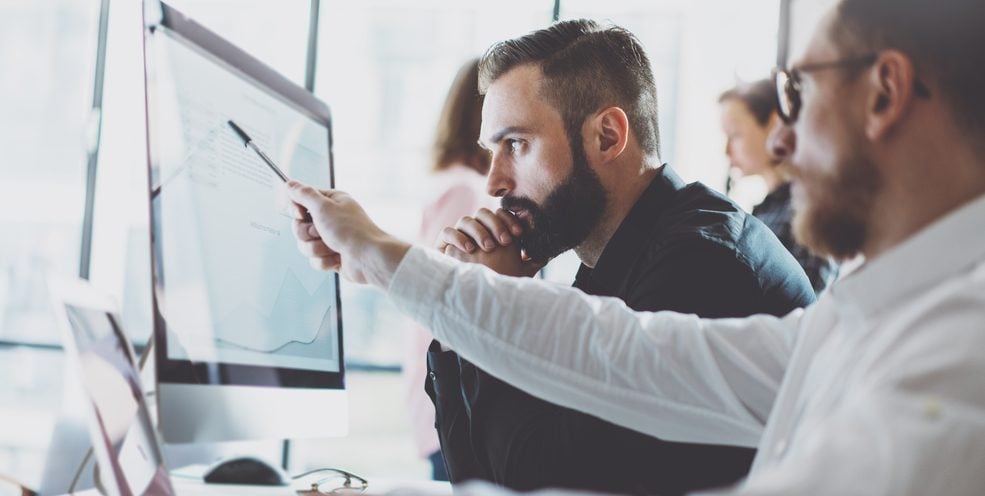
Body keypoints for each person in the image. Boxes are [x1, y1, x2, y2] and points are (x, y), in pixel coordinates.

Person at [286, 0, 985, 493]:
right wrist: (392, 264)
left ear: (884, 92)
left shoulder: (957, 353)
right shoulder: (862, 317)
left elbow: (556, 469)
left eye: (796, 92)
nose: (776, 142)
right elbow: (617, 353)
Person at [420, 20, 814, 495]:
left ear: (607, 136)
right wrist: (457, 325)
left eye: (517, 144)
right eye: (492, 151)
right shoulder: (611, 260)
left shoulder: (702, 265)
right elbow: (475, 482)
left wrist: (498, 302)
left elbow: (544, 486)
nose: (494, 182)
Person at [402, 58, 493, 481]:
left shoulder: (451, 182)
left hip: (443, 393)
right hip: (455, 396)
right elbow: (449, 293)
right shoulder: (466, 189)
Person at [719, 80, 838, 293]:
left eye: (735, 135)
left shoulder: (806, 212)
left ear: (774, 123)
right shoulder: (767, 210)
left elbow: (805, 306)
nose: (727, 151)